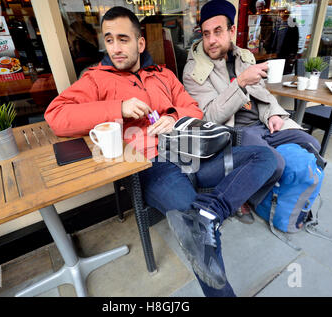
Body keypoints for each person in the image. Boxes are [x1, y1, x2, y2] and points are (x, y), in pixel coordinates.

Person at [44, 6, 278, 297]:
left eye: (123, 39)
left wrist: (172, 116)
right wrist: (118, 107)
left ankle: (211, 212)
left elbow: (194, 111)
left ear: (140, 43)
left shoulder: (163, 74)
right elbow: (56, 116)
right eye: (109, 39)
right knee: (196, 232)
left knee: (265, 157)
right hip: (153, 165)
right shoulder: (96, 79)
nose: (115, 48)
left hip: (192, 150)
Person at [183, 0, 321, 222]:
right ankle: (250, 196)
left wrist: (273, 114)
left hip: (264, 123)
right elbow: (209, 116)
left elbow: (262, 93)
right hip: (235, 131)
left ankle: (281, 194)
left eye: (218, 32)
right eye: (206, 34)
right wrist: (239, 83)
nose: (211, 40)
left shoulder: (245, 56)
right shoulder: (193, 70)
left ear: (232, 31)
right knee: (275, 162)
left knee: (311, 143)